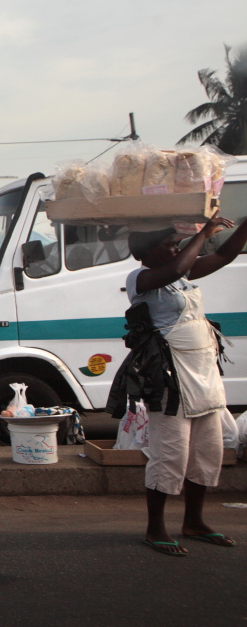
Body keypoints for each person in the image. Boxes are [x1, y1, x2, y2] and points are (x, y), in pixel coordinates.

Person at [126, 214, 247, 556]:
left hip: (203, 374)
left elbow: (223, 256)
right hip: (170, 378)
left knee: (208, 452)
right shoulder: (142, 278)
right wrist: (204, 232)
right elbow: (178, 267)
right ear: (146, 253)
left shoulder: (183, 277)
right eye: (169, 244)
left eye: (177, 243)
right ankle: (156, 528)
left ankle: (194, 522)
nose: (177, 248)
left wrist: (244, 227)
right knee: (171, 455)